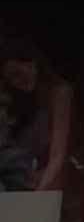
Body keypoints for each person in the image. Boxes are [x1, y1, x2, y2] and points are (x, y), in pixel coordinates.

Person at [0, 43, 70, 193]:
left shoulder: (59, 93)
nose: (17, 82)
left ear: (32, 63)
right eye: (11, 80)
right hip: (27, 182)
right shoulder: (23, 105)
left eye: (17, 73)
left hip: (50, 184)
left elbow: (58, 155)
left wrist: (38, 193)